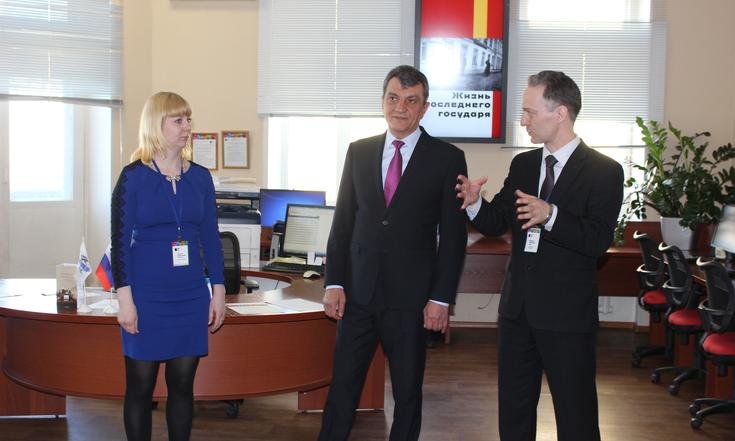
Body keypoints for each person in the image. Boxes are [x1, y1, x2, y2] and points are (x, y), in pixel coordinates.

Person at [456, 70, 624, 441]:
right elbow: (497, 221)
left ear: (560, 113)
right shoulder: (524, 164)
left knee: (576, 418)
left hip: (567, 316)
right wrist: (474, 203)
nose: (523, 121)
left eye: (530, 112)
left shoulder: (604, 172)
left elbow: (597, 241)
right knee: (514, 412)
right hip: (517, 311)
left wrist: (552, 215)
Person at [318, 65, 468, 441]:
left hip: (410, 299)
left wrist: (440, 299)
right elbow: (343, 223)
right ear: (383, 101)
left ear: (424, 108)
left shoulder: (447, 158)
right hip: (358, 295)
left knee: (407, 394)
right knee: (342, 389)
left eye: (411, 101)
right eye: (393, 98)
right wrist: (334, 282)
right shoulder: (359, 151)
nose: (401, 108)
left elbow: (453, 237)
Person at [111, 91, 226, 441]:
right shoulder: (133, 177)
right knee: (140, 386)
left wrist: (218, 291)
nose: (187, 126)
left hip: (190, 296)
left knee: (182, 385)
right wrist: (125, 301)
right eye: (178, 120)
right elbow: (119, 243)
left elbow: (211, 238)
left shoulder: (201, 178)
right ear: (156, 125)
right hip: (145, 296)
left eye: (188, 119)